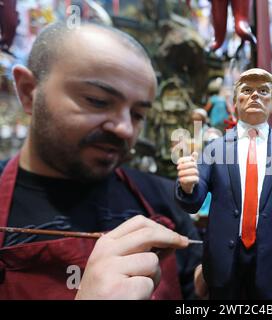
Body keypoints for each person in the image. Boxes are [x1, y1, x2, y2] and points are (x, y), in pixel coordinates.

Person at [0, 22, 202, 299]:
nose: (125, 129)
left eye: (138, 114)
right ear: (28, 91)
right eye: (97, 101)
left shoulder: (165, 203)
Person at [175, 68, 272, 299]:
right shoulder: (216, 149)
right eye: (247, 90)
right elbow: (194, 201)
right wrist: (188, 185)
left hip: (268, 261)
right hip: (222, 262)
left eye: (263, 91)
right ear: (235, 102)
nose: (255, 95)